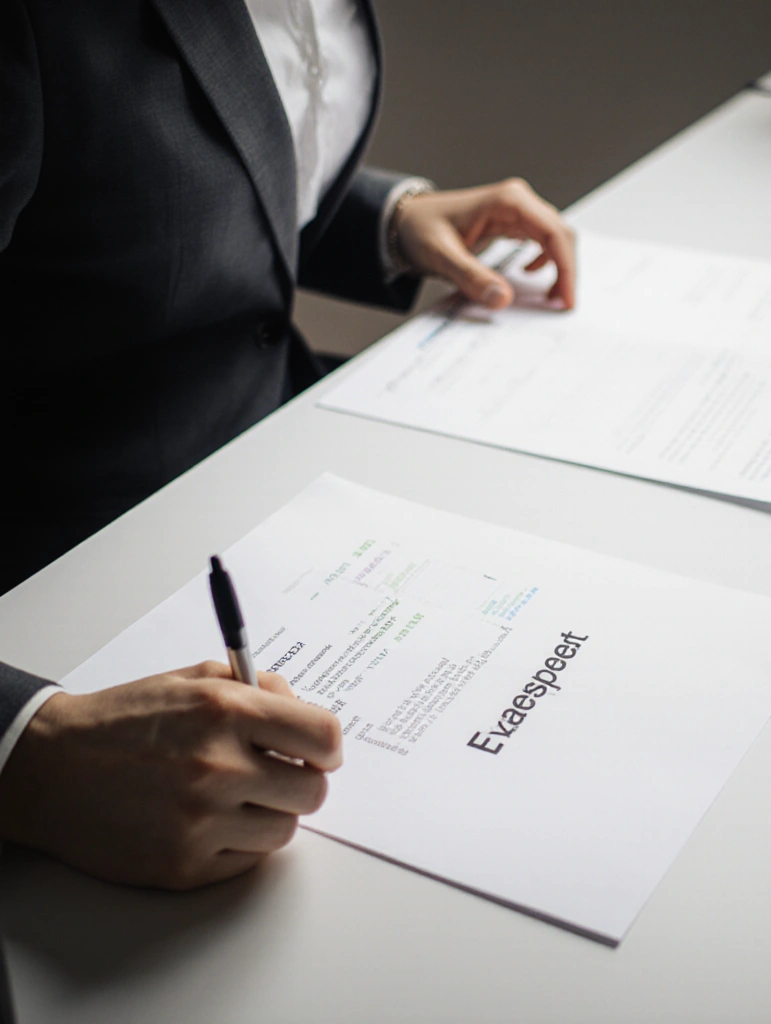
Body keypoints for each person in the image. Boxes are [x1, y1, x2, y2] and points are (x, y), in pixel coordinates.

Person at [0, 0, 576, 909]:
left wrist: (389, 217)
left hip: (273, 451)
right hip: (56, 577)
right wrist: (30, 753)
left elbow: (155, 166)